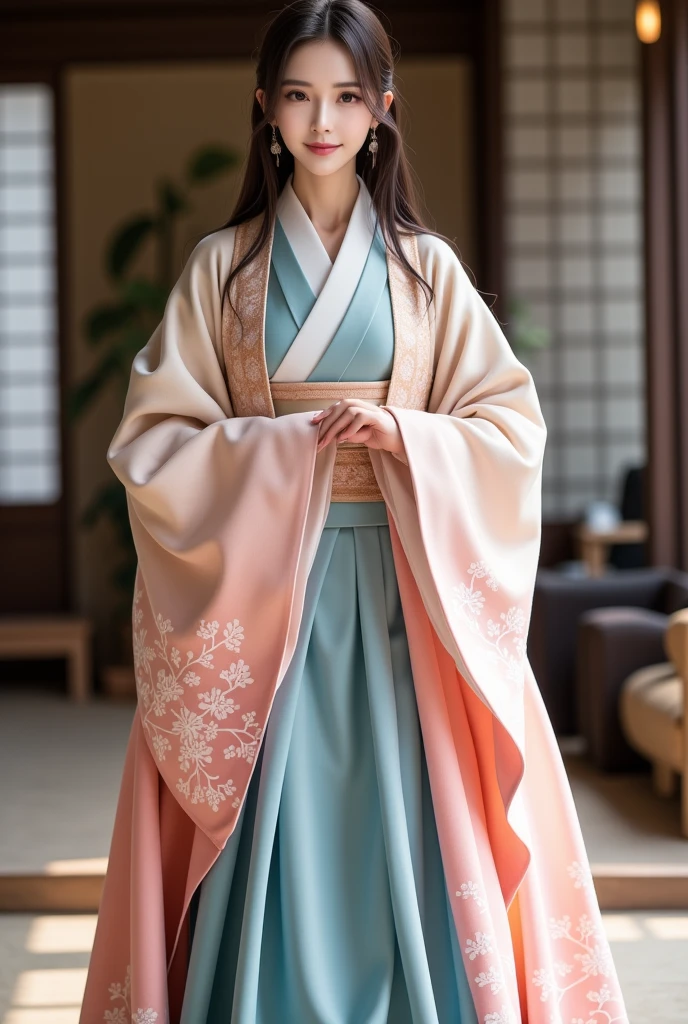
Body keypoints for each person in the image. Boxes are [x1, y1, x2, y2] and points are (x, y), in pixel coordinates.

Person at [80, 2, 630, 1022]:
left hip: (399, 590)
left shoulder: (427, 273)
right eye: (297, 96)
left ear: (382, 110)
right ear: (265, 109)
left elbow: (510, 428)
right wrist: (288, 449)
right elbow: (152, 446)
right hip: (270, 602)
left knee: (410, 817)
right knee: (277, 824)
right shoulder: (223, 271)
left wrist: (409, 440)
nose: (320, 120)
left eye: (343, 96)